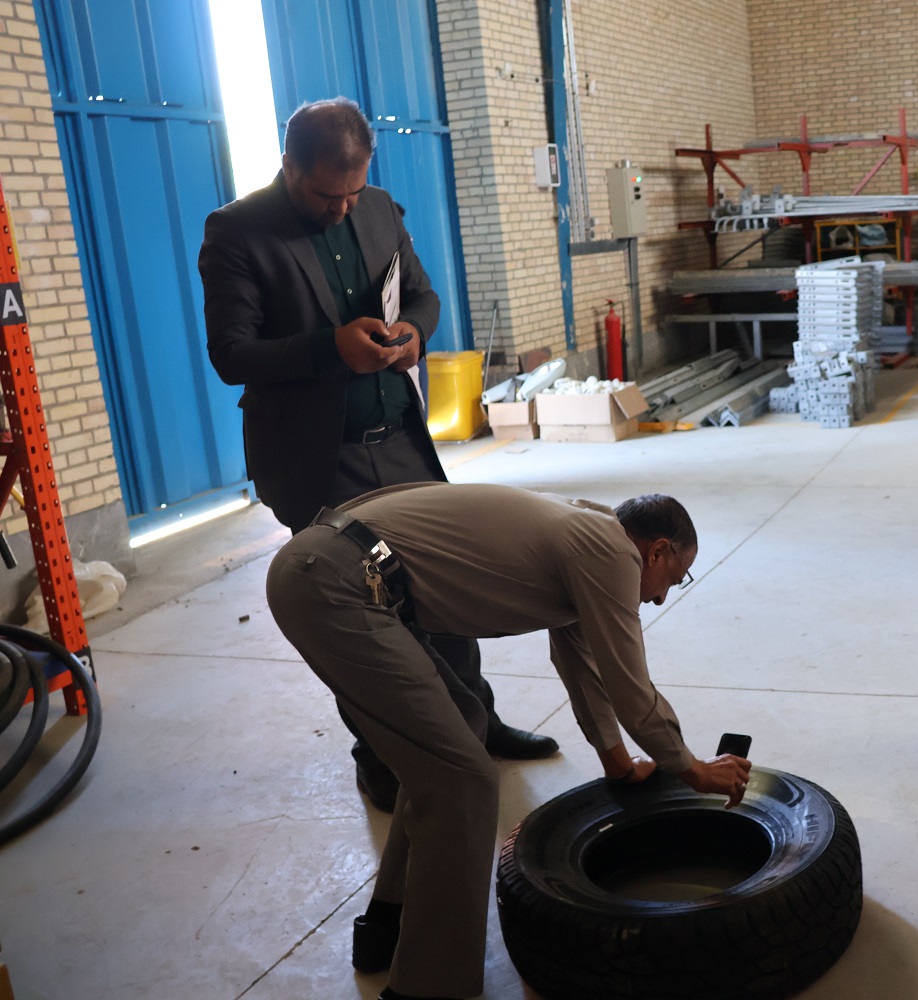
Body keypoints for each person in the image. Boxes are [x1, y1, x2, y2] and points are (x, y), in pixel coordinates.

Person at [199, 98, 555, 813]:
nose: (342, 208)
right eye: (325, 195)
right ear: (289, 167)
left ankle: (476, 724)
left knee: (447, 595)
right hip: (318, 461)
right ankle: (381, 755)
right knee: (360, 621)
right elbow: (231, 354)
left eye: (352, 193)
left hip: (400, 442)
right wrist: (329, 348)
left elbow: (422, 297)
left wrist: (416, 334)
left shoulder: (379, 209)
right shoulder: (237, 231)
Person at [265, 484, 752, 1000]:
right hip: (337, 583)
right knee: (464, 782)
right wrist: (691, 768)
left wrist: (617, 763)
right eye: (673, 579)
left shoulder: (590, 537)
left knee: (463, 722)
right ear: (656, 551)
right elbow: (633, 691)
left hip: (347, 577)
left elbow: (582, 662)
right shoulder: (610, 552)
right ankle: (427, 989)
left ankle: (390, 919)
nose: (659, 598)